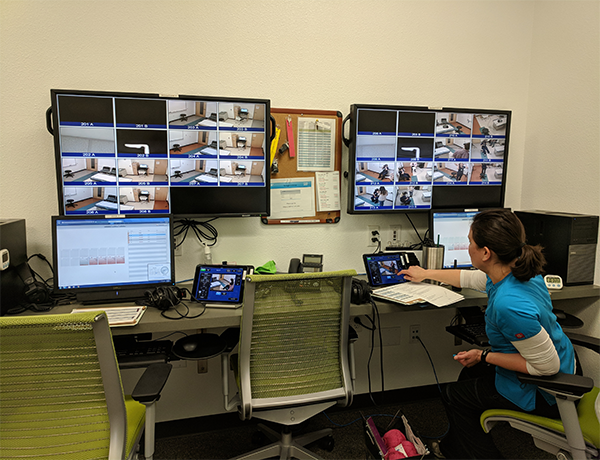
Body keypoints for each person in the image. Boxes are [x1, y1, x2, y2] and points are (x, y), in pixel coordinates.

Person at [400, 209, 576, 459]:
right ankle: (455, 448)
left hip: (548, 392)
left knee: (453, 395)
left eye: (470, 241)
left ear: (486, 253)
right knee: (467, 375)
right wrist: (426, 273)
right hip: (563, 362)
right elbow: (470, 278)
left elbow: (546, 367)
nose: (468, 246)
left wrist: (484, 355)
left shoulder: (508, 304)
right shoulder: (519, 271)